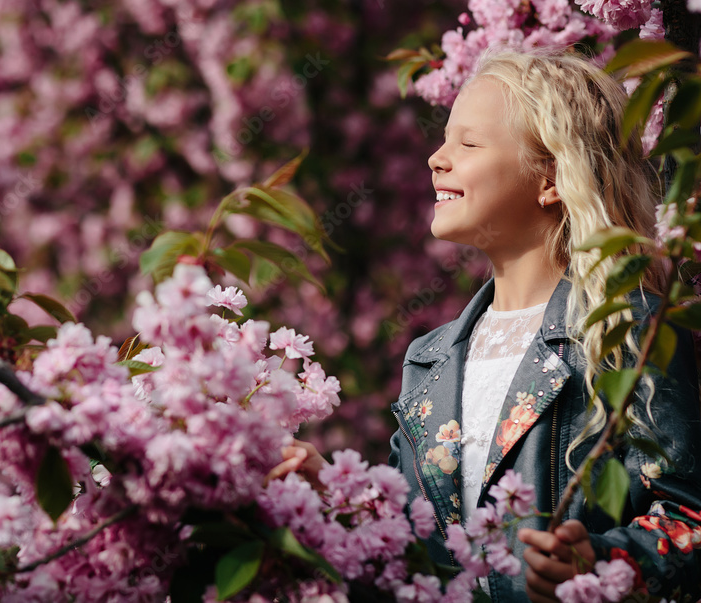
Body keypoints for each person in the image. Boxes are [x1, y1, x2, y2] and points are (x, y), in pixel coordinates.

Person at [269, 47, 701, 601]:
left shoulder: (622, 329)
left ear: (550, 177)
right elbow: (415, 542)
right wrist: (337, 494)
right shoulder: (429, 359)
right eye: (445, 138)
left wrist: (598, 562)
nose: (436, 158)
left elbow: (687, 514)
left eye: (467, 144)